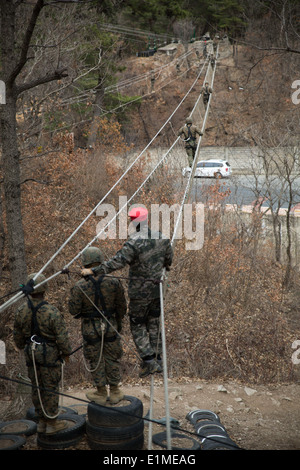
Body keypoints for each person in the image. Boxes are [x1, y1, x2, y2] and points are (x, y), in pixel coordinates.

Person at [81, 207, 173, 379]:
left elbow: (117, 262)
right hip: (157, 291)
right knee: (154, 324)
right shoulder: (162, 238)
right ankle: (158, 359)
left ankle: (149, 360)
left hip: (139, 294)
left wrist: (94, 271)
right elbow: (169, 261)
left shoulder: (133, 242)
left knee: (138, 324)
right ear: (146, 220)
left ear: (133, 222)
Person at [13, 273, 72, 434]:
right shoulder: (51, 311)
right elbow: (62, 337)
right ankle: (52, 423)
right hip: (49, 355)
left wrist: (22, 346)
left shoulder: (21, 311)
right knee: (50, 387)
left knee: (36, 386)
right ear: (44, 289)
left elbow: (17, 336)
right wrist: (66, 353)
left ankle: (41, 421)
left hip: (30, 354)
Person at [69, 246, 127, 406]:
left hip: (90, 329)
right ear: (101, 261)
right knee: (112, 357)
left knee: (96, 359)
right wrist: (117, 321)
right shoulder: (114, 282)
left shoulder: (80, 285)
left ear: (85, 262)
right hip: (110, 325)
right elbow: (122, 307)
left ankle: (101, 391)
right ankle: (114, 390)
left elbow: (73, 310)